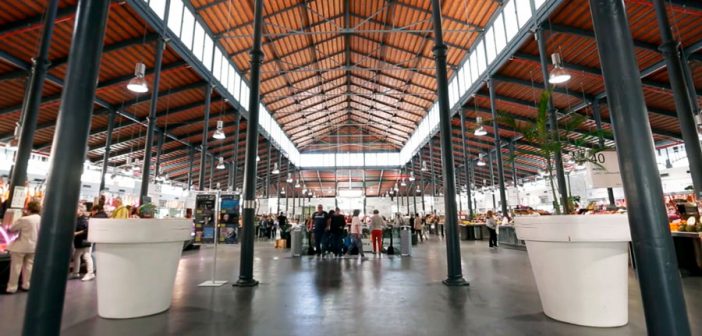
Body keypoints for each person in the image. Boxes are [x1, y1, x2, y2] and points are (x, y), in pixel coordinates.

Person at [6, 200, 41, 294]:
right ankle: (26, 285)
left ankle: (12, 288)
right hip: (34, 246)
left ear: (29, 209)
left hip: (20, 247)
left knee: (16, 267)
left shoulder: (25, 219)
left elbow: (12, 228)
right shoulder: (41, 219)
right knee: (29, 266)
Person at [71, 205, 95, 281]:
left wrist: (76, 233)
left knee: (86, 256)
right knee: (76, 256)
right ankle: (76, 272)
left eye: (77, 209)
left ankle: (90, 273)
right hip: (79, 241)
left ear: (81, 211)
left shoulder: (84, 220)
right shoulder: (78, 219)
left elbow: (87, 230)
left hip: (84, 241)